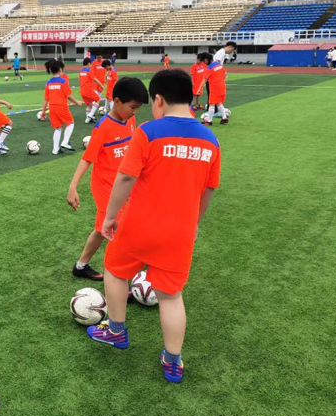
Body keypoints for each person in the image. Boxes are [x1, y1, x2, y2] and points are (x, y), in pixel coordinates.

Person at [88, 70, 220, 385]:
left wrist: (110, 216)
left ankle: (116, 331)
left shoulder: (148, 132)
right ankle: (172, 361)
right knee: (171, 296)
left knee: (115, 271)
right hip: (179, 232)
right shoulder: (211, 141)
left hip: (139, 225)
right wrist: (195, 223)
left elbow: (125, 177)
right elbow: (209, 189)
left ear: (158, 99)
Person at [67, 77, 149, 281]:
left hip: (123, 184)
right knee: (117, 226)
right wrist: (73, 187)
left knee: (101, 228)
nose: (135, 112)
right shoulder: (103, 127)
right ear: (117, 101)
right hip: (105, 187)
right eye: (133, 107)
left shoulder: (130, 120)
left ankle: (81, 266)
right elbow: (87, 159)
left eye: (138, 108)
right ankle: (123, 273)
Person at [40, 60, 82, 155]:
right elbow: (69, 96)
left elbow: (46, 99)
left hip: (52, 108)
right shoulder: (63, 81)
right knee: (71, 123)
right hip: (61, 107)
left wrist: (43, 111)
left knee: (58, 128)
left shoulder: (48, 83)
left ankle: (55, 149)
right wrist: (77, 102)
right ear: (60, 69)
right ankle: (65, 142)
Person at [200, 55, 228, 126]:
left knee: (211, 104)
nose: (204, 63)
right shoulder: (219, 64)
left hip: (215, 88)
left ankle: (209, 121)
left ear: (206, 60)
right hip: (222, 86)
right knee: (218, 103)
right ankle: (224, 118)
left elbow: (204, 79)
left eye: (203, 61)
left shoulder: (209, 68)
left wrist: (199, 88)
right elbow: (225, 74)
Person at [79, 56, 104, 123]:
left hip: (82, 91)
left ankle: (87, 120)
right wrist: (101, 85)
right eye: (91, 64)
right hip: (88, 90)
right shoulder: (89, 70)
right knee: (98, 99)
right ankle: (91, 114)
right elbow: (95, 79)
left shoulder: (81, 71)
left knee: (89, 105)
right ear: (88, 64)